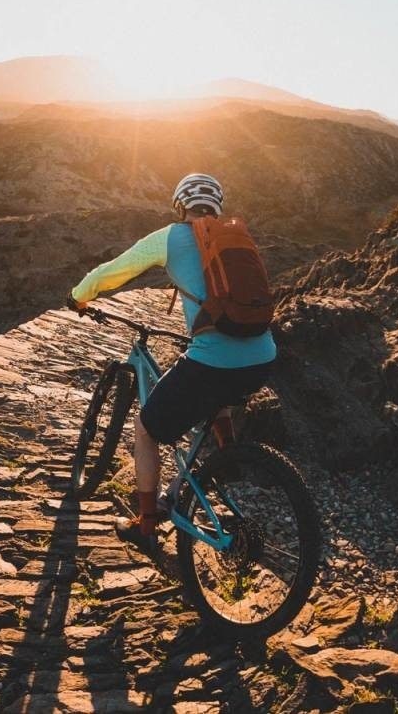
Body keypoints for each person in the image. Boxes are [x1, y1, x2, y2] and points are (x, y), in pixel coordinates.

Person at [67, 173, 276, 551]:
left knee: (146, 428)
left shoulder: (171, 236)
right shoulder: (237, 238)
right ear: (216, 207)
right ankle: (224, 461)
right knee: (217, 395)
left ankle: (145, 527)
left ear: (180, 205)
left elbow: (112, 272)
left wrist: (80, 297)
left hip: (215, 360)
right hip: (262, 356)